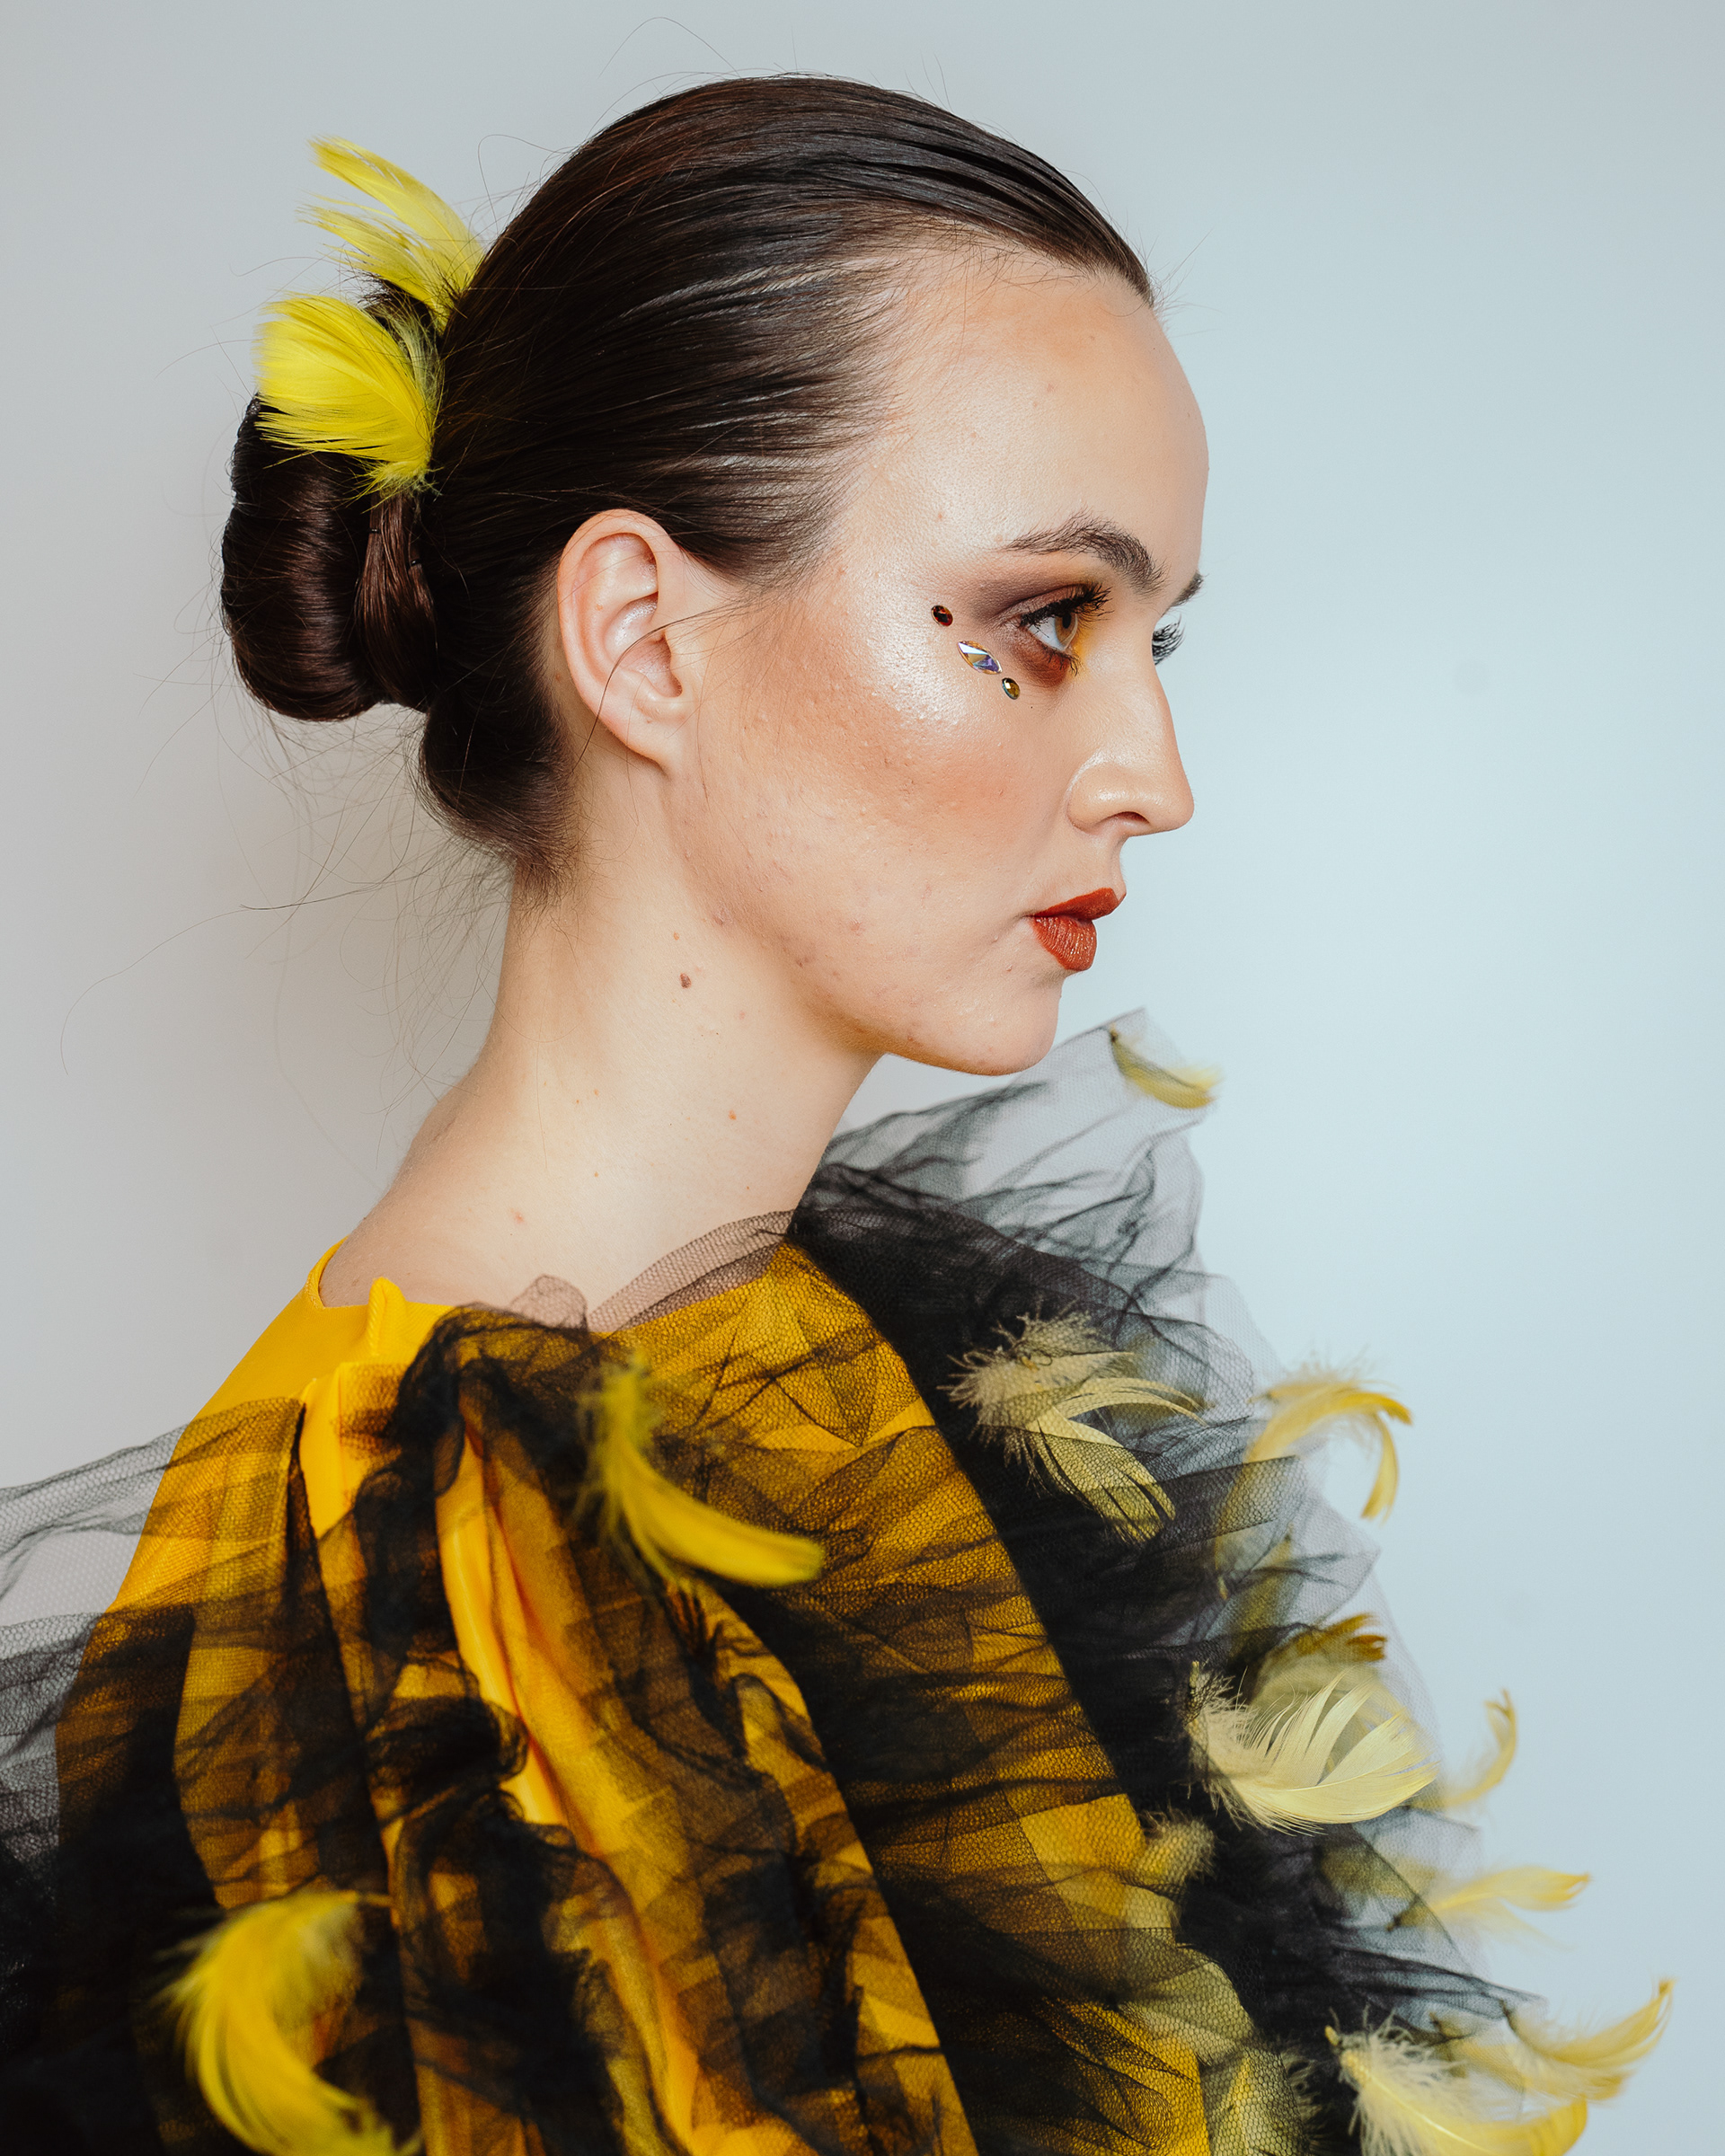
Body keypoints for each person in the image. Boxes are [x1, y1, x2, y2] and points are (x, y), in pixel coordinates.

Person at [0, 76, 1665, 2156]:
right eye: (1043, 622)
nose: (1156, 775)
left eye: (1157, 636)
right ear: (643, 642)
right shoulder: (438, 1577)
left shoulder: (818, 1354)